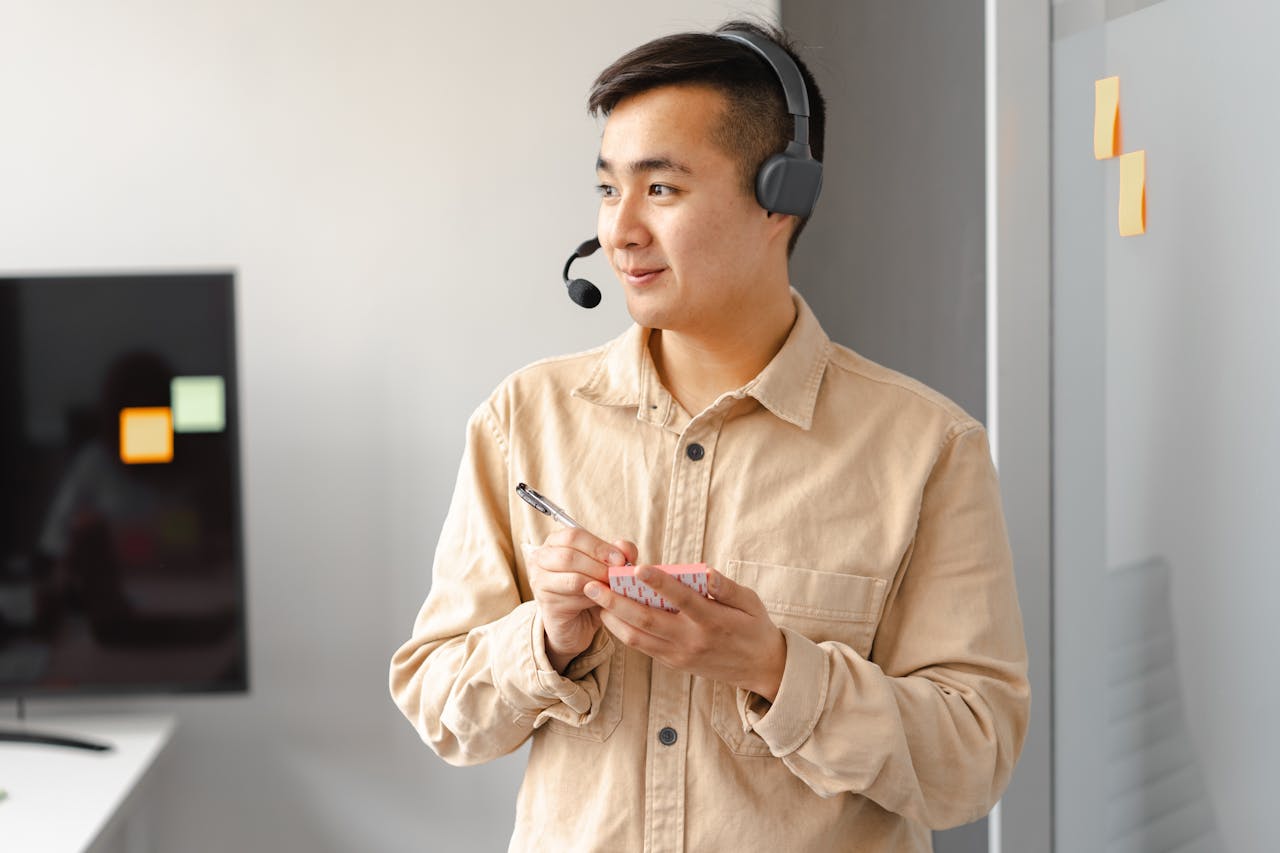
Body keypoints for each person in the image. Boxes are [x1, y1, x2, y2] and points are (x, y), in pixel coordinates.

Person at [390, 20, 1029, 852]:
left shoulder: (927, 449)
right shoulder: (523, 420)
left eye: (661, 190)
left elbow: (972, 761)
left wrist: (774, 667)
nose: (620, 232)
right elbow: (441, 710)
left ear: (782, 195)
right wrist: (542, 639)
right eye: (608, 189)